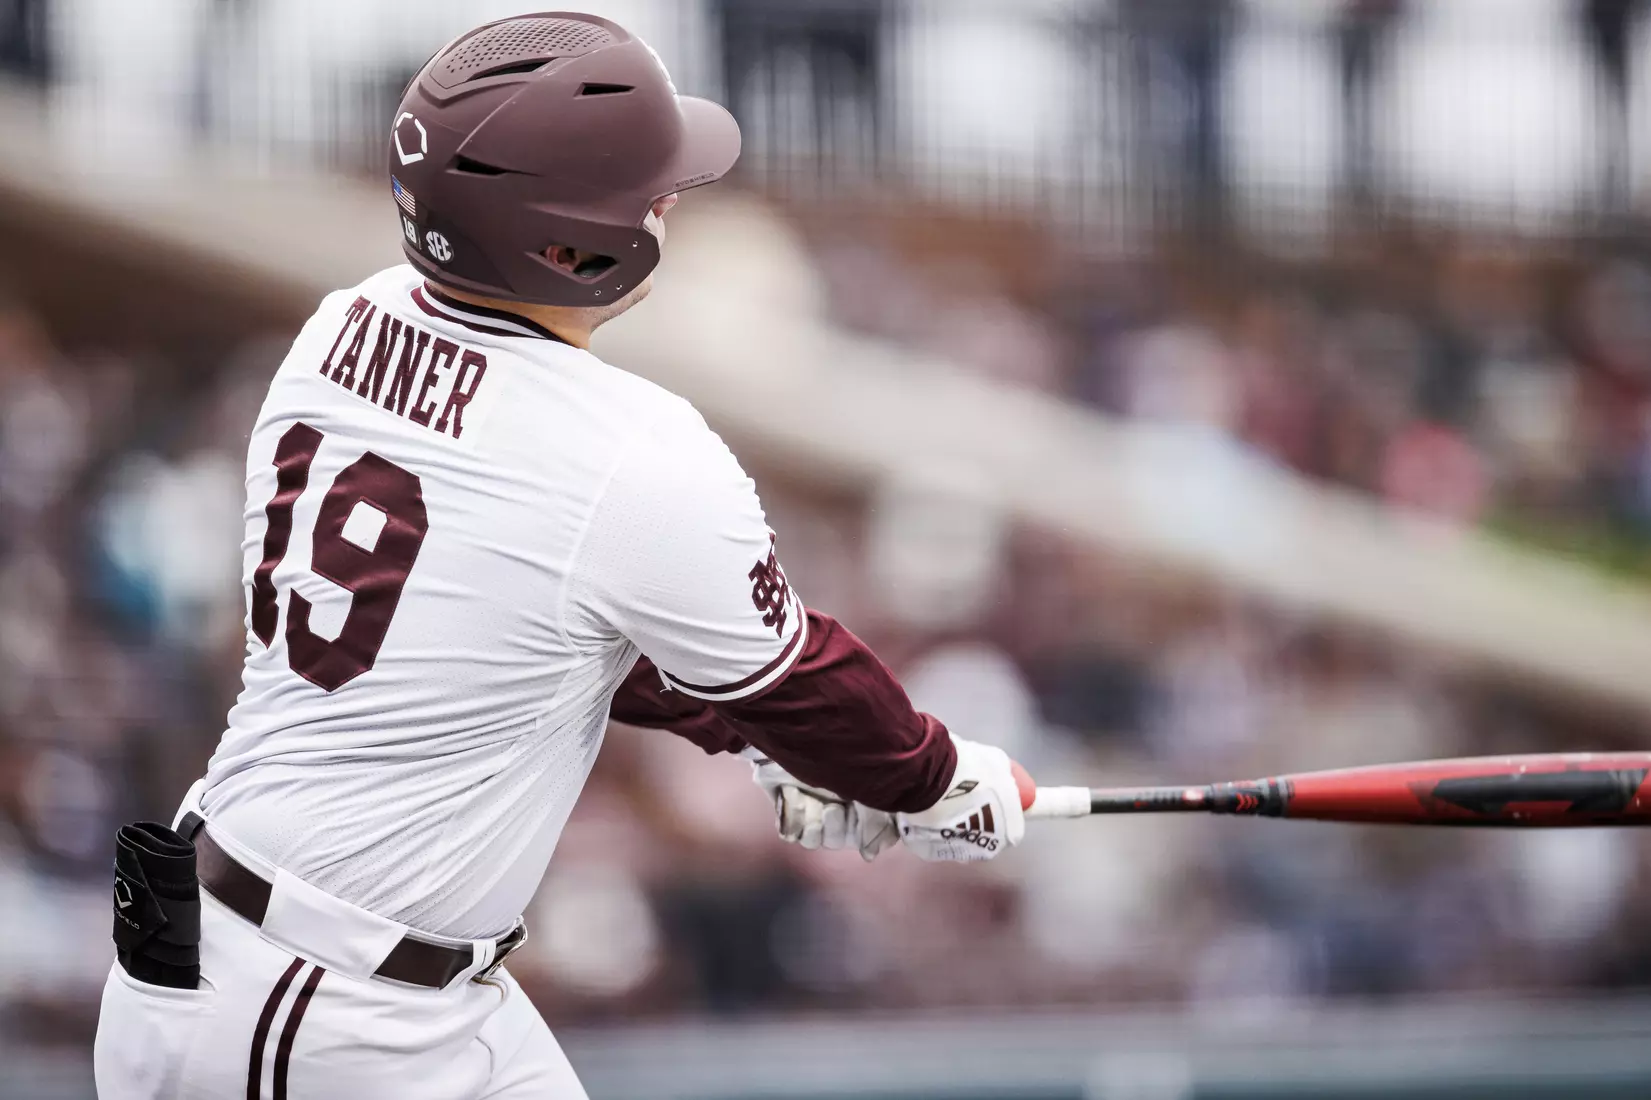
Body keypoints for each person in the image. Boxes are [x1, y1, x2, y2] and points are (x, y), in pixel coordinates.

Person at [91, 13, 1029, 1100]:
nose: (666, 201)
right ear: (564, 239)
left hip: (315, 960)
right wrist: (930, 773)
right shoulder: (630, 449)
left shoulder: (338, 329)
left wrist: (767, 745)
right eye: (643, 188)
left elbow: (525, 625)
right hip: (318, 1004)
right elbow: (801, 677)